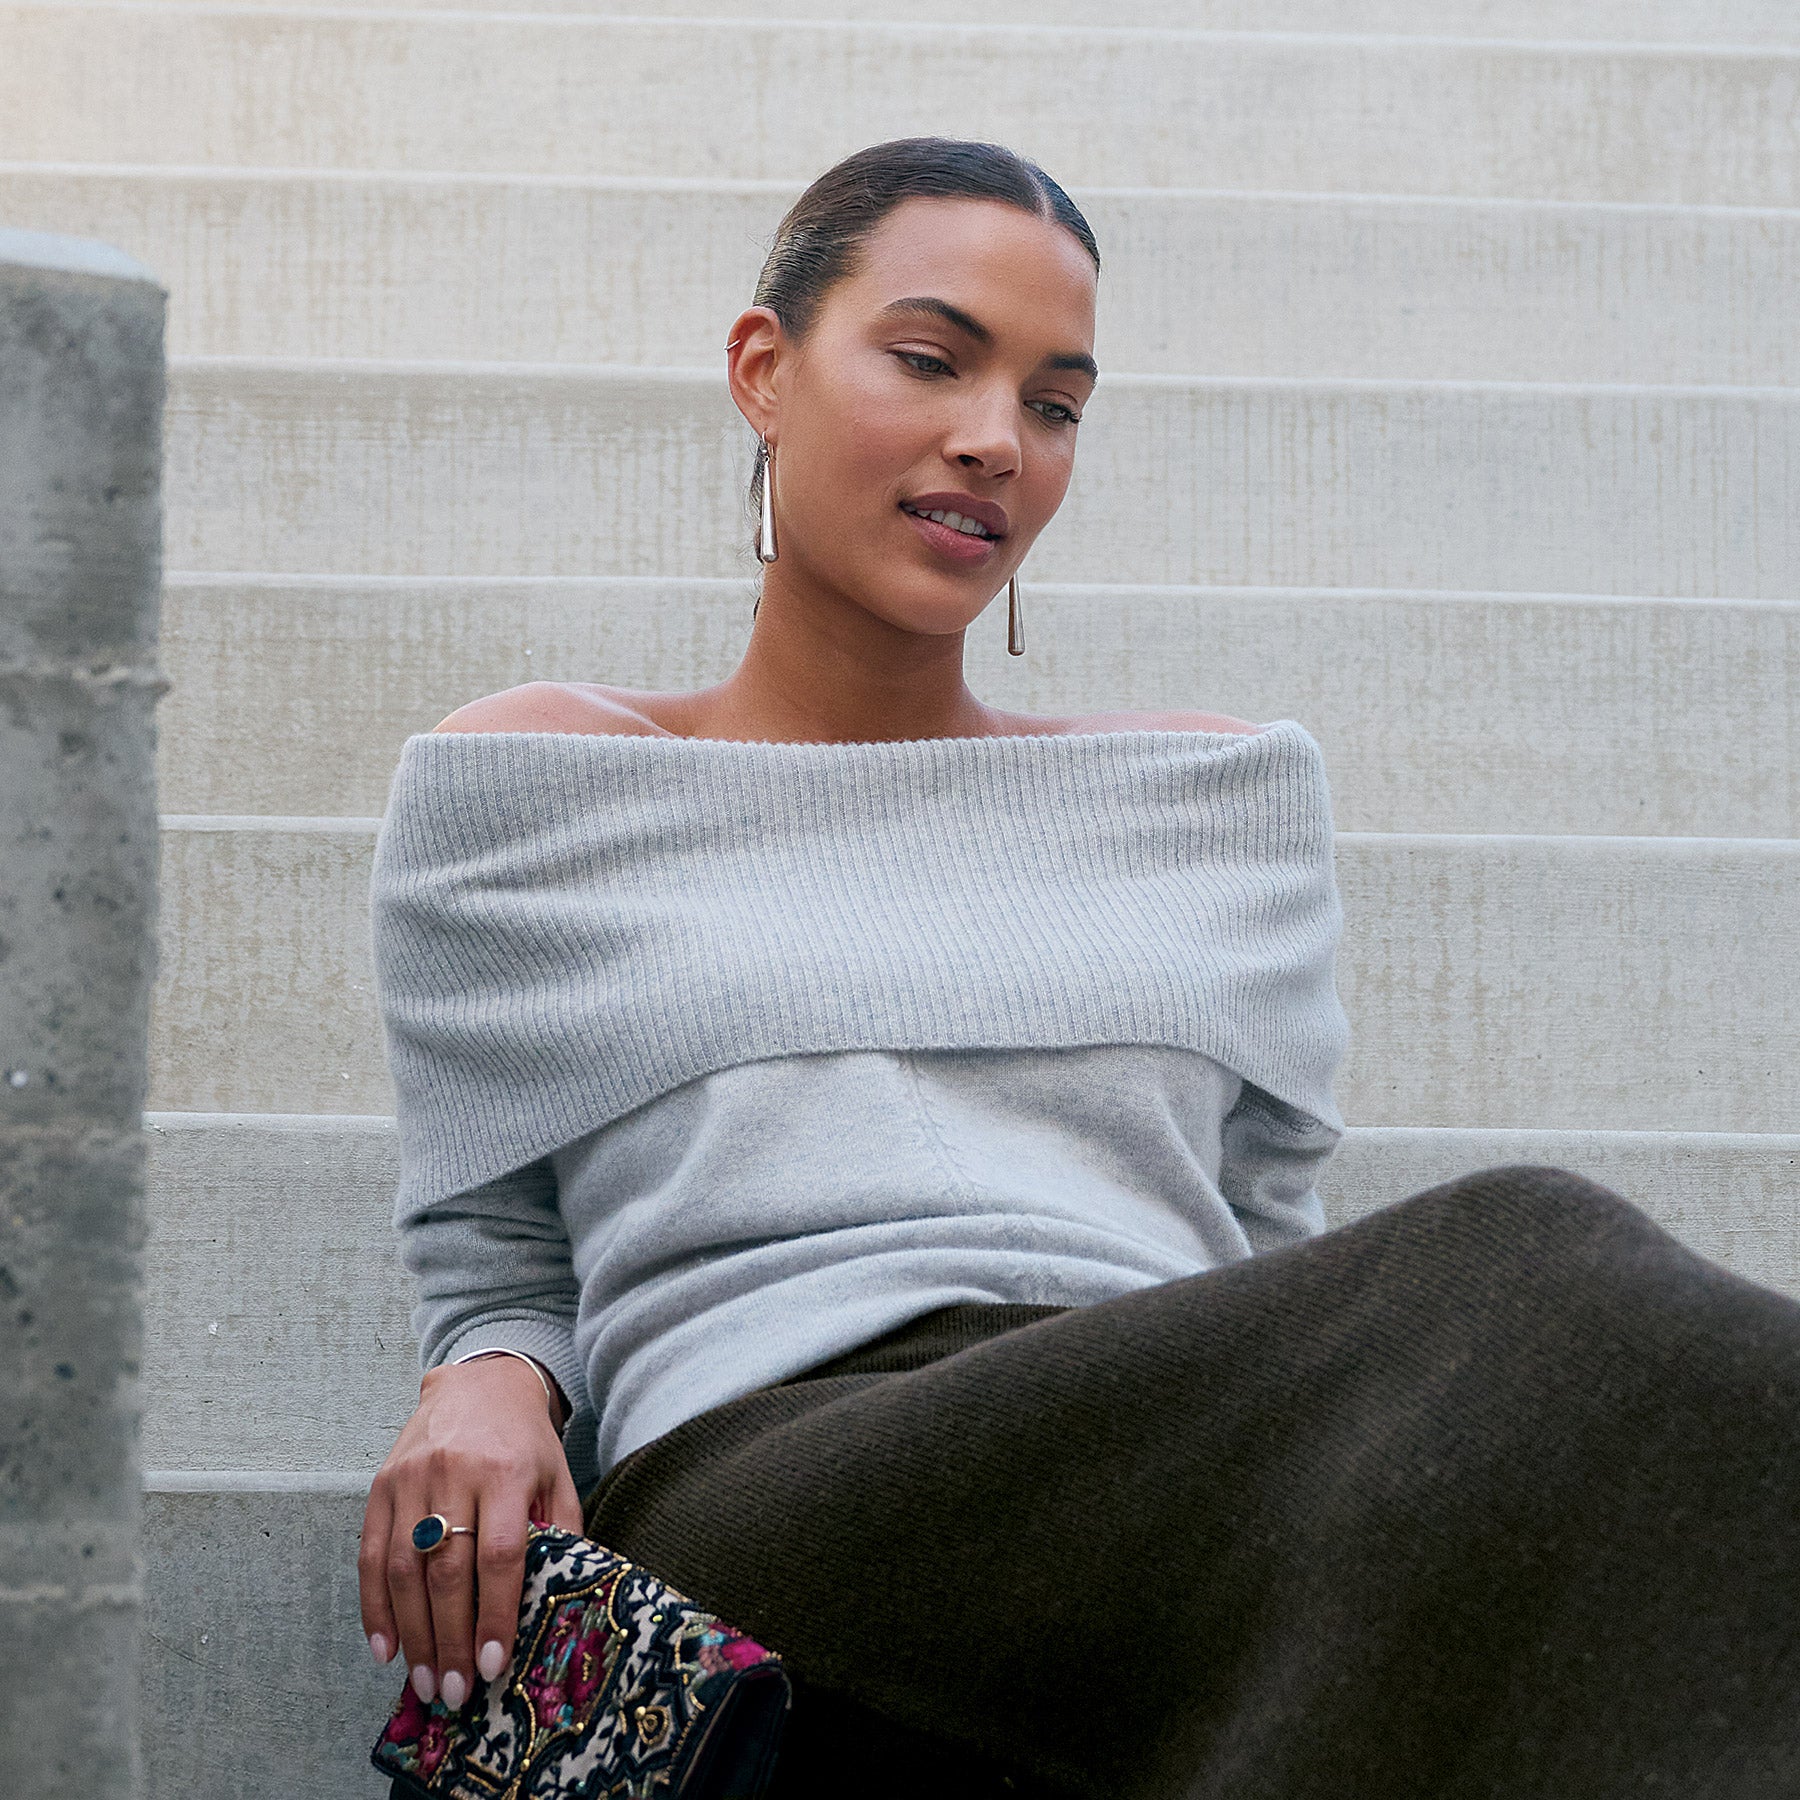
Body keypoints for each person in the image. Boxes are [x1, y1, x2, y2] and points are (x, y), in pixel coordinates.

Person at [359, 136, 1800, 1799]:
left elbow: (1266, 1246)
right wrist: (489, 1374)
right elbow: (495, 1241)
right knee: (1531, 1255)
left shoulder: (1209, 793)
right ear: (763, 370)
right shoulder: (542, 775)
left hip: (1155, 1440)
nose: (998, 438)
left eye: (1055, 403)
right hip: (789, 1464)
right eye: (931, 360)